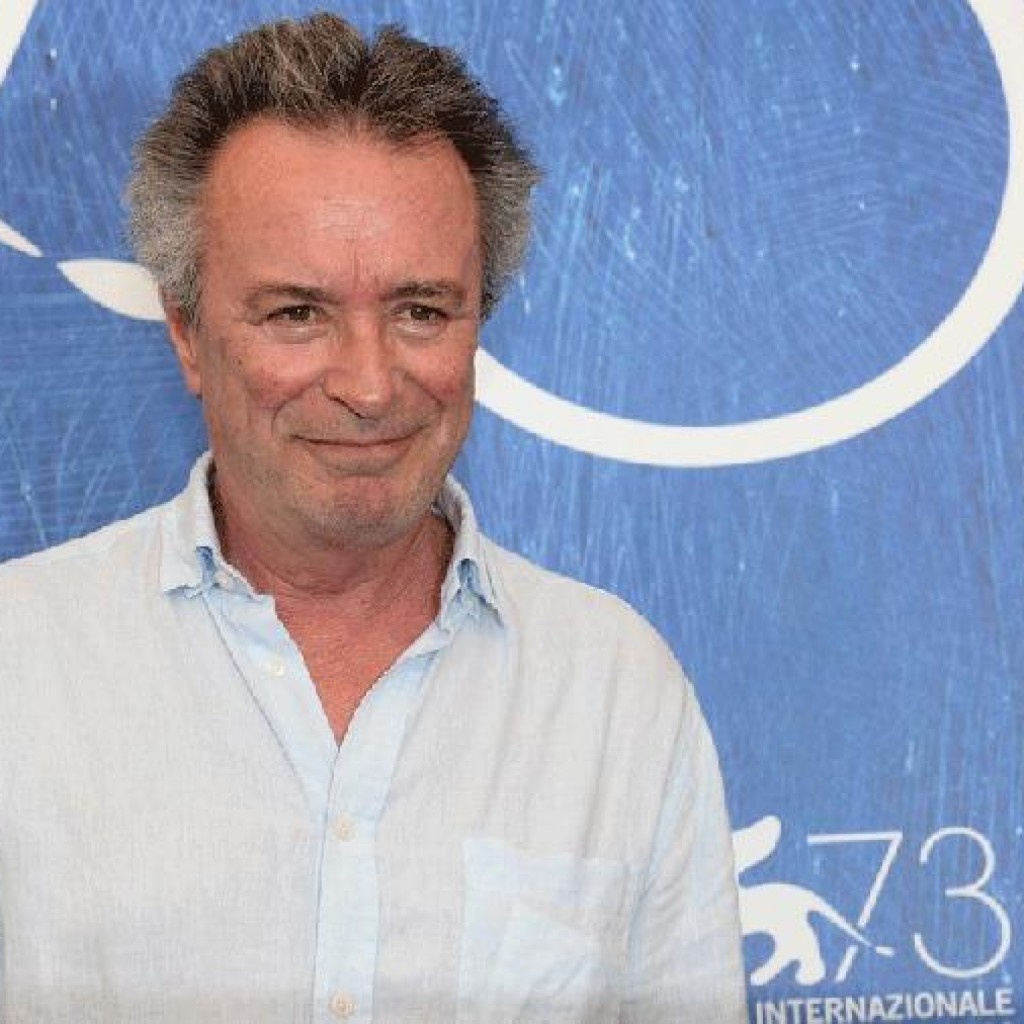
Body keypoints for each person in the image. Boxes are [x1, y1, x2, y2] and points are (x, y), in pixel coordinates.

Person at [0, 13, 746, 1023]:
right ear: (186, 332)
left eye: (420, 311)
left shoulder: (616, 692)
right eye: (296, 313)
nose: (368, 384)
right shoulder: (20, 668)